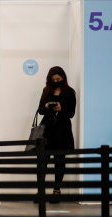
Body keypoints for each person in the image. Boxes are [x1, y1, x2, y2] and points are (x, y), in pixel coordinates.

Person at [38, 66, 76, 204]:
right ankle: (40, 190)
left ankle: (56, 190)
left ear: (63, 78)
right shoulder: (46, 91)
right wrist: (47, 106)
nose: (56, 81)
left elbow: (71, 113)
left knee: (59, 161)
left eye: (58, 79)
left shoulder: (70, 92)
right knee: (43, 162)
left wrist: (61, 109)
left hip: (62, 130)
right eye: (53, 79)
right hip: (47, 130)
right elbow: (40, 110)